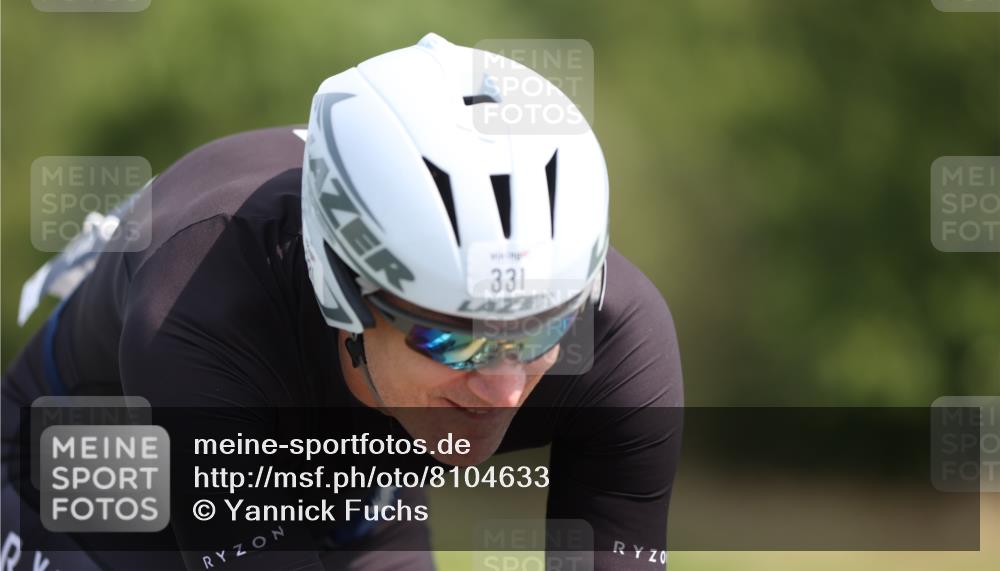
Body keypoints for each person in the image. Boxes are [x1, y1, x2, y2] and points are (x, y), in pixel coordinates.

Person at [2, 34, 683, 570]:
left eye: (539, 333)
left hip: (351, 466)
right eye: (455, 338)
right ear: (342, 288)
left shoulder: (623, 339)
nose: (505, 388)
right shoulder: (197, 311)